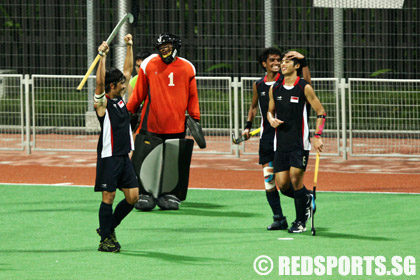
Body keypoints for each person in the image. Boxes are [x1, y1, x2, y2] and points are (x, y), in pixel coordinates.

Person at [127, 32, 200, 211]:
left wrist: (195, 118)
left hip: (176, 125)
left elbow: (193, 97)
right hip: (150, 123)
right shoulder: (149, 65)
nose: (164, 51)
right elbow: (139, 94)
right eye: (161, 49)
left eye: (167, 47)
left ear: (175, 47)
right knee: (145, 159)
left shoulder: (188, 68)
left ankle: (170, 194)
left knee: (173, 162)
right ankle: (145, 193)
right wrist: (129, 111)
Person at [242, 47, 312, 231]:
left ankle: (306, 199)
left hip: (286, 138)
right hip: (267, 138)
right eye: (272, 60)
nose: (276, 63)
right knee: (269, 180)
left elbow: (307, 84)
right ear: (264, 64)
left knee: (287, 183)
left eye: (278, 60)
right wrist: (248, 126)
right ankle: (279, 217)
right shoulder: (259, 85)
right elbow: (254, 107)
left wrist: (303, 62)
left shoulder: (286, 81)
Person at [267, 52, 326, 233]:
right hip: (280, 144)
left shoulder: (304, 87)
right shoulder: (275, 89)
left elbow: (321, 112)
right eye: (282, 62)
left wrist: (317, 136)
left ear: (297, 66)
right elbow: (270, 111)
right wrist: (270, 119)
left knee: (296, 181)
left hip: (299, 145)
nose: (282, 64)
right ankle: (306, 199)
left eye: (287, 62)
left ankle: (300, 222)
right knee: (283, 186)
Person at [93, 34, 139, 252]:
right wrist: (102, 57)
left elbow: (128, 70)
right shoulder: (103, 104)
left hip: (124, 156)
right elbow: (100, 82)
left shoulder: (121, 99)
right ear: (113, 86)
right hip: (109, 157)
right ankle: (105, 241)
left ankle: (108, 228)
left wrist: (129, 47)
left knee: (133, 197)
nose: (125, 83)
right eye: (121, 83)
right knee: (109, 197)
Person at [128, 50, 152, 133]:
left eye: (141, 66)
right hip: (140, 115)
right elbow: (132, 105)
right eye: (137, 66)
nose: (139, 69)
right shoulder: (133, 81)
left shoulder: (156, 80)